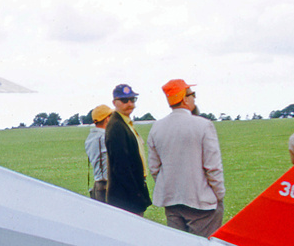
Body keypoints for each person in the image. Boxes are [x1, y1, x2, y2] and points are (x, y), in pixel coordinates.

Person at [147, 80, 226, 236]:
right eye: (192, 95)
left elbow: (154, 168)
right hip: (202, 203)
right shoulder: (204, 125)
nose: (194, 99)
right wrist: (219, 195)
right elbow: (213, 167)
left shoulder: (156, 127)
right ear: (184, 98)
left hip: (171, 202)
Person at [105, 84, 151, 215]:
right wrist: (136, 195)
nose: (130, 104)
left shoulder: (125, 123)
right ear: (114, 102)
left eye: (132, 99)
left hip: (131, 194)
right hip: (125, 198)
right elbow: (121, 167)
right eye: (124, 100)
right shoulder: (116, 126)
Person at [85, 104, 112, 202]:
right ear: (107, 119)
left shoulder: (90, 137)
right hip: (107, 184)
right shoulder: (104, 137)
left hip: (98, 183)